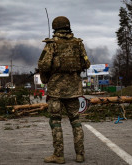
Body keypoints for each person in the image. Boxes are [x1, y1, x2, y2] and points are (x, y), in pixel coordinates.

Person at [38, 16, 90, 164]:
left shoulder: (52, 44)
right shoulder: (78, 44)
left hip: (56, 90)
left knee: (55, 121)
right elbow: (86, 63)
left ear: (55, 27)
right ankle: (80, 154)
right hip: (74, 88)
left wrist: (47, 75)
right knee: (76, 121)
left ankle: (59, 155)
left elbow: (44, 65)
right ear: (68, 27)